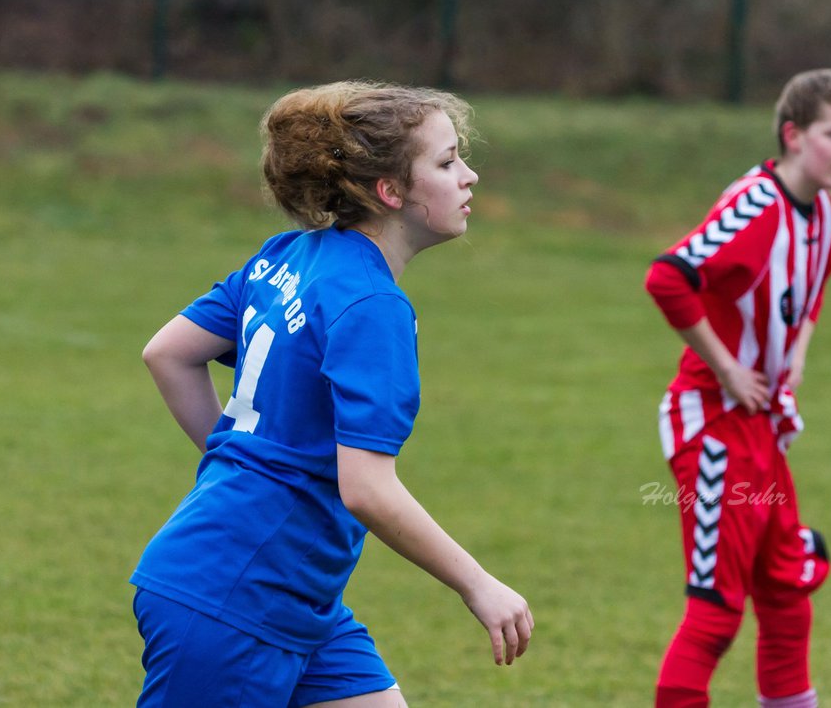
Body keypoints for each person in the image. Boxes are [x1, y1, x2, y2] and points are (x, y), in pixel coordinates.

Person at [129, 80, 534, 707]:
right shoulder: (372, 305)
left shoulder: (286, 257)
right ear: (391, 191)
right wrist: (477, 584)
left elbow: (170, 354)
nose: (470, 176)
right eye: (448, 161)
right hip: (233, 597)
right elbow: (367, 488)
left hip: (293, 597)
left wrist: (238, 458)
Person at [643, 69, 831, 708]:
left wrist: (796, 361)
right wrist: (728, 367)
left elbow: (809, 298)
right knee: (716, 614)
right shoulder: (757, 206)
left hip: (762, 430)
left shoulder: (825, 220)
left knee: (787, 593)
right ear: (793, 134)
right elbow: (669, 277)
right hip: (713, 430)